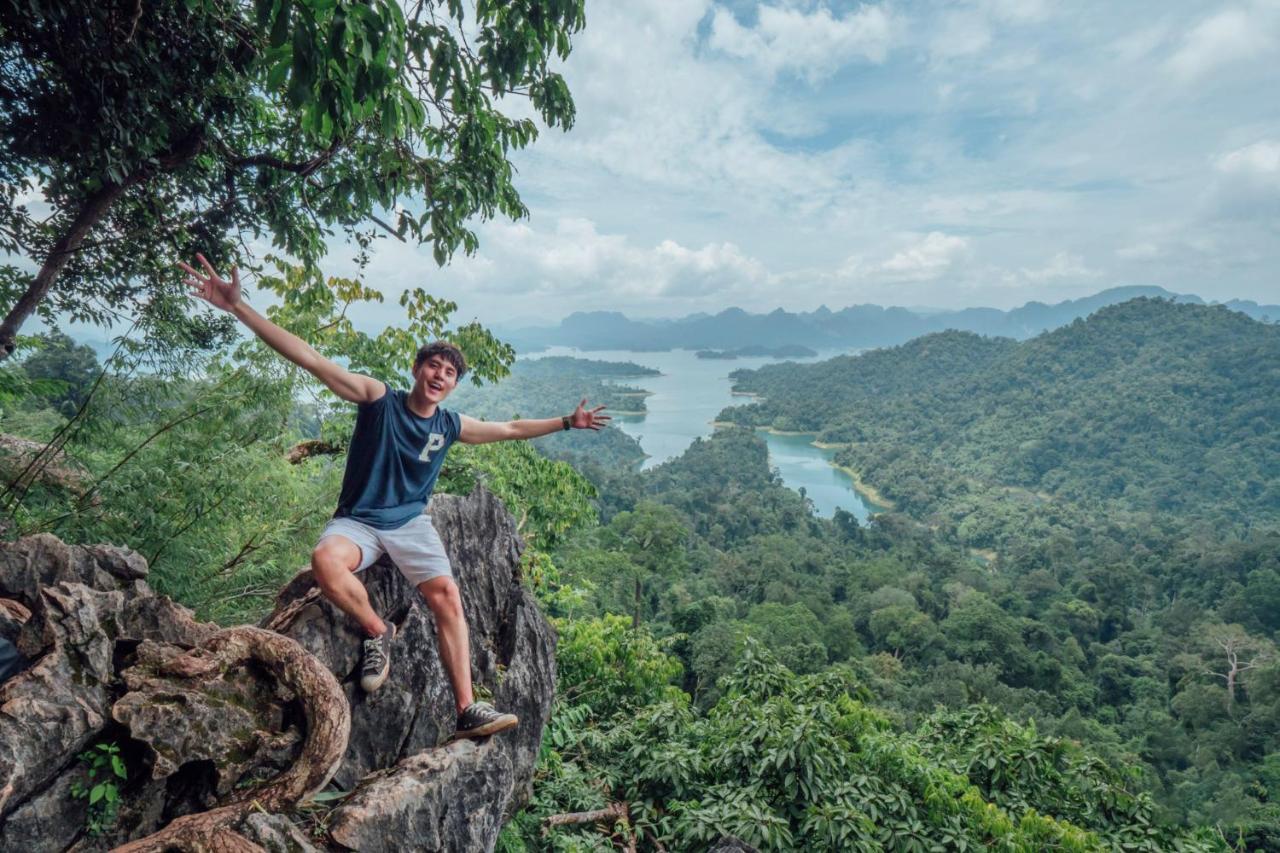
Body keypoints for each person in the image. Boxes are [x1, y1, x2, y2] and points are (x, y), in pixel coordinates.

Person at [179, 254, 609, 739]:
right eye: (433, 365)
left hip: (409, 523)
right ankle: (378, 630)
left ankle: (467, 709)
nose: (440, 375)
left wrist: (567, 423)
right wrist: (240, 309)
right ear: (417, 369)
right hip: (360, 521)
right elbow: (313, 360)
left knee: (447, 595)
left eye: (449, 372)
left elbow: (509, 427)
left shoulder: (450, 425)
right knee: (325, 560)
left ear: (452, 385)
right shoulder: (377, 398)